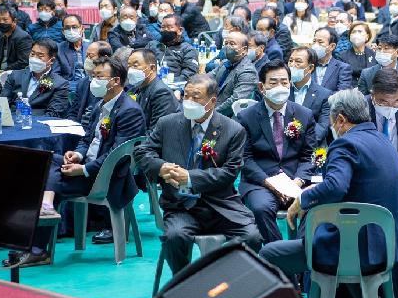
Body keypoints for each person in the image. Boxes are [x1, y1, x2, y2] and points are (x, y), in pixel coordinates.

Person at [2, 56, 146, 267]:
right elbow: (87, 139)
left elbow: (116, 155)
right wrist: (77, 155)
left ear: (115, 81)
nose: (93, 81)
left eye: (99, 76)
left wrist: (84, 169)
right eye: (92, 75)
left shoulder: (129, 110)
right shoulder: (101, 105)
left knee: (41, 181)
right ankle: (45, 211)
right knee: (41, 161)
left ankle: (37, 248)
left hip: (107, 177)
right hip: (89, 166)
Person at [259, 89, 398, 295]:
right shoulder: (384, 142)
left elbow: (336, 186)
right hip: (385, 248)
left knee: (268, 253)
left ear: (341, 119)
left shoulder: (345, 143)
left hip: (350, 249)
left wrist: (302, 198)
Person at [134, 73, 261, 275]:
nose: (189, 101)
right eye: (186, 96)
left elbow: (229, 172)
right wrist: (161, 166)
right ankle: (185, 283)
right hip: (180, 206)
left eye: (196, 97)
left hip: (220, 204)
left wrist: (191, 178)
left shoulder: (233, 129)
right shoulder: (168, 123)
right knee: (175, 237)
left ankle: (230, 282)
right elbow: (142, 151)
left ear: (212, 101)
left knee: (252, 237)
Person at [238, 60, 316, 244]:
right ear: (261, 86)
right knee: (261, 208)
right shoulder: (246, 117)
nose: (280, 87)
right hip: (261, 182)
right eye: (273, 83)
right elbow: (245, 159)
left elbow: (309, 156)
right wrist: (270, 183)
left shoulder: (304, 115)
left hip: (295, 180)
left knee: (313, 206)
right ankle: (279, 258)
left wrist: (296, 183)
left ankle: (300, 258)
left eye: (284, 82)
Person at [2, 39, 69, 117]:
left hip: (40, 124)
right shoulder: (15, 75)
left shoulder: (60, 84)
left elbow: (54, 113)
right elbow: (4, 104)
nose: (34, 58)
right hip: (13, 120)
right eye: (32, 54)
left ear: (52, 60)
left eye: (40, 56)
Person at [126, 49, 178, 131]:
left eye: (135, 66)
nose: (130, 70)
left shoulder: (161, 93)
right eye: (129, 66)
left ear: (152, 68)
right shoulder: (138, 88)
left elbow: (157, 132)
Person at [288, 47, 331, 145]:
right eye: (290, 61)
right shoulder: (283, 90)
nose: (292, 65)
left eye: (298, 62)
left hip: (310, 146)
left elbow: (322, 129)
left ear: (310, 68)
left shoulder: (324, 95)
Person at [208, 31, 258, 118]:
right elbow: (206, 78)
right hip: (211, 105)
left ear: (244, 50)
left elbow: (235, 101)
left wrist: (211, 114)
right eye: (226, 43)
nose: (227, 46)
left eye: (232, 44)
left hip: (228, 117)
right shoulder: (224, 63)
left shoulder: (248, 71)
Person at [358, 33, 398, 102]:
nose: (381, 52)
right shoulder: (366, 74)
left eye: (386, 48)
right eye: (379, 48)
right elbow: (361, 101)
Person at [68, 41, 112, 127]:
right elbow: (73, 111)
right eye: (86, 55)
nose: (87, 59)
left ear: (104, 58)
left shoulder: (110, 83)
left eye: (91, 56)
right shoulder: (82, 83)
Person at [146, 14, 199, 82]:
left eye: (169, 27)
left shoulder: (188, 50)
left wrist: (167, 81)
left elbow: (189, 74)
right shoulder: (152, 45)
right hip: (151, 84)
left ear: (180, 30)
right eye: (163, 27)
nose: (165, 30)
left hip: (174, 86)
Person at [0, 5, 33, 91]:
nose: (1, 22)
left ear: (14, 21)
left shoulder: (23, 37)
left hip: (15, 74)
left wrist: (2, 72)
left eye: (5, 20)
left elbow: (23, 62)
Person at [311, 28, 353, 92]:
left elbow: (342, 95)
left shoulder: (343, 68)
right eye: (314, 41)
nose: (315, 45)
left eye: (320, 42)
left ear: (332, 46)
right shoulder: (307, 65)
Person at [56, 14, 89, 93]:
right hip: (68, 88)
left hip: (89, 86)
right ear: (63, 31)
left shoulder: (91, 47)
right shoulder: (58, 49)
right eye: (67, 28)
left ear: (82, 28)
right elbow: (55, 74)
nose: (71, 30)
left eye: (74, 27)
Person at [337, 22, 377, 87]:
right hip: (349, 90)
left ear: (367, 36)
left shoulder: (374, 55)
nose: (356, 34)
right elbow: (342, 78)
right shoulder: (342, 56)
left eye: (360, 31)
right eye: (353, 32)